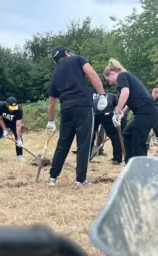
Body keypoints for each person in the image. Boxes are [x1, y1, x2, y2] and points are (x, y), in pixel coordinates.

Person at [46, 46, 108, 187]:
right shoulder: (78, 59)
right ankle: (81, 180)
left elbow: (51, 102)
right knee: (84, 144)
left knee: (63, 143)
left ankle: (52, 178)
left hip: (66, 109)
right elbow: (92, 75)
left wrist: (51, 121)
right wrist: (102, 94)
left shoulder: (56, 72)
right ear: (67, 53)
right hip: (83, 107)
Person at [103, 58, 158, 164]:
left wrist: (117, 112)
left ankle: (140, 169)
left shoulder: (122, 76)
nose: (110, 83)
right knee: (127, 134)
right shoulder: (127, 77)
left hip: (147, 112)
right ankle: (130, 164)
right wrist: (123, 113)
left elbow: (125, 93)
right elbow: (131, 100)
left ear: (111, 73)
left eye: (109, 80)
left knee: (138, 141)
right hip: (147, 113)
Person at [91, 91, 127, 165]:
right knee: (114, 136)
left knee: (91, 135)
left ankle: (86, 156)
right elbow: (118, 109)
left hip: (94, 114)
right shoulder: (114, 96)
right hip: (107, 113)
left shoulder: (97, 97)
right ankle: (117, 159)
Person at [0, 97, 24, 161]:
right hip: (2, 122)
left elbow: (18, 126)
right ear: (7, 105)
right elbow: (0, 119)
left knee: (19, 138)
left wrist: (18, 139)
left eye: (14, 108)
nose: (12, 110)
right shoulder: (0, 107)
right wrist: (4, 130)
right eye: (11, 108)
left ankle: (19, 156)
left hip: (13, 123)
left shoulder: (19, 110)